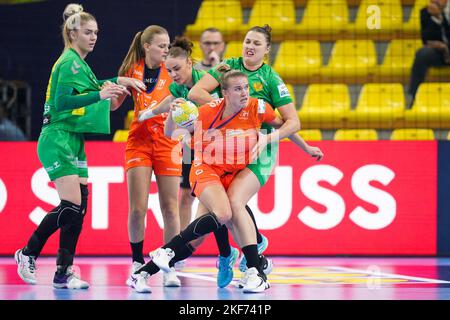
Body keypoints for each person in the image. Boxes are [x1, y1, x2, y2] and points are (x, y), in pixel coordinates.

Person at [135, 70, 297, 293]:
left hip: (232, 174)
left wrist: (283, 141)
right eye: (238, 89)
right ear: (225, 93)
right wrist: (172, 115)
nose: (244, 93)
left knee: (198, 239)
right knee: (225, 213)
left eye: (246, 88)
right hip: (207, 169)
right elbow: (172, 133)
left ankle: (143, 272)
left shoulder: (257, 107)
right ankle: (256, 268)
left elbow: (286, 124)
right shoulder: (208, 111)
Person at [14, 3, 140, 289]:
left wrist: (119, 81)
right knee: (71, 205)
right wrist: (99, 95)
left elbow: (94, 86)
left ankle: (63, 272)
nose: (94, 37)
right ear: (72, 34)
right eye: (87, 32)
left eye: (96, 32)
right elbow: (62, 102)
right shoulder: (68, 61)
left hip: (73, 138)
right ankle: (28, 252)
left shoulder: (80, 64)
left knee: (80, 207)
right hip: (57, 136)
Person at [188, 24, 324, 277]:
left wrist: (293, 144)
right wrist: (228, 108)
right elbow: (196, 92)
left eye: (257, 43)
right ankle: (233, 252)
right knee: (219, 202)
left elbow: (291, 122)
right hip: (224, 143)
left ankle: (250, 257)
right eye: (247, 41)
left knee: (232, 201)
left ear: (267, 50)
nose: (250, 46)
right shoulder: (227, 66)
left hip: (259, 146)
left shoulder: (271, 79)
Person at [117, 25, 183, 292]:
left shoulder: (175, 71)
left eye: (168, 45)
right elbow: (113, 106)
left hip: (168, 142)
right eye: (162, 45)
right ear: (147, 47)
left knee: (170, 207)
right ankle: (136, 262)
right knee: (137, 208)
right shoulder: (131, 69)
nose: (166, 50)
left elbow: (193, 87)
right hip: (139, 142)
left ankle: (170, 266)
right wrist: (119, 83)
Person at [408, 0, 450, 102]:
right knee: (422, 54)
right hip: (440, 52)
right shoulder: (425, 13)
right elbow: (426, 39)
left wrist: (442, 18)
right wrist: (436, 18)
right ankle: (413, 97)